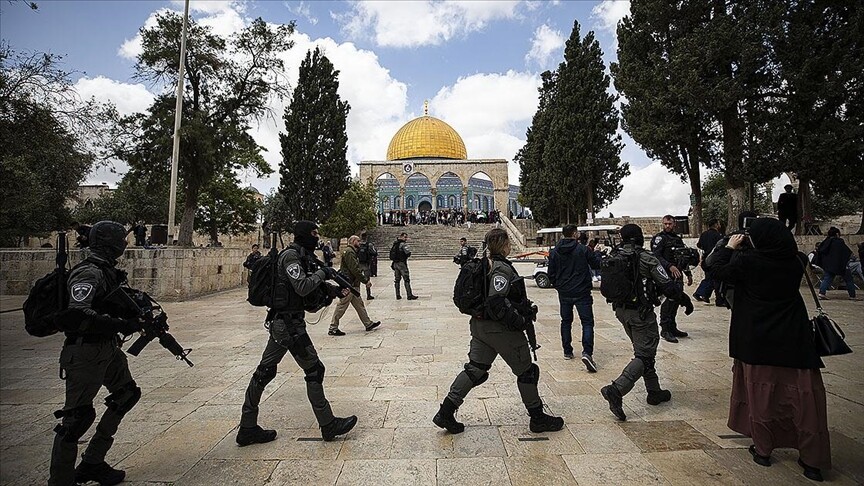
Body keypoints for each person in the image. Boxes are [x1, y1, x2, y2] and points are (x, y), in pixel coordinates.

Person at [711, 217, 830, 482]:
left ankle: (763, 450)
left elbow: (715, 269)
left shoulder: (747, 262)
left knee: (762, 396)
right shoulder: (798, 259)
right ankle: (812, 462)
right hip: (793, 338)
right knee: (803, 402)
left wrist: (728, 247)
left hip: (757, 338)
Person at [237, 221, 357, 446]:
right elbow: (302, 286)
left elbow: (304, 291)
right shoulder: (291, 257)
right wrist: (323, 273)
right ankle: (328, 424)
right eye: (313, 233)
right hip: (288, 326)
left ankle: (247, 426)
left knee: (264, 372)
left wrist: (333, 289)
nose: (316, 236)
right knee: (314, 369)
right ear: (303, 234)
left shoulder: (303, 255)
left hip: (284, 324)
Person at [433, 228, 564, 434]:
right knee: (527, 372)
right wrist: (519, 321)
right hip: (500, 330)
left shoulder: (484, 265)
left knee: (475, 370)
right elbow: (497, 301)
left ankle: (446, 412)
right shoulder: (501, 269)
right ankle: (537, 417)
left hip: (480, 327)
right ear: (503, 245)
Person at [49, 221, 145, 486]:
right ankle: (60, 480)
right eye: (120, 240)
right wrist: (123, 325)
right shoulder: (89, 273)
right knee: (76, 418)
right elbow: (79, 313)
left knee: (127, 394)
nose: (125, 244)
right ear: (109, 242)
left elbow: (112, 301)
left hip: (107, 348)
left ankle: (93, 461)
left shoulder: (107, 271)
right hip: (85, 351)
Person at [599, 224, 694, 422]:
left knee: (644, 352)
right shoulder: (645, 257)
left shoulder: (615, 255)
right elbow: (666, 285)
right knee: (644, 354)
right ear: (640, 237)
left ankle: (654, 391)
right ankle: (617, 389)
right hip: (641, 314)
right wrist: (684, 299)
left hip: (621, 311)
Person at [547, 224, 601, 371]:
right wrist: (596, 252)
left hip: (564, 292)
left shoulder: (554, 251)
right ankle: (587, 353)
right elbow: (597, 264)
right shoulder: (583, 250)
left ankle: (567, 350)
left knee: (566, 321)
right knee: (587, 322)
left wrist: (558, 285)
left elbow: (550, 273)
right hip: (582, 292)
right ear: (575, 233)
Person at [329, 235, 382, 336]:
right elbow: (354, 269)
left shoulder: (351, 251)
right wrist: (365, 281)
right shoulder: (349, 252)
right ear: (353, 241)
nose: (360, 242)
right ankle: (333, 327)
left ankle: (368, 323)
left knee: (359, 305)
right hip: (349, 284)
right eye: (358, 241)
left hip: (353, 284)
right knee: (342, 306)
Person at [651, 215, 693, 343]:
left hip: (678, 275)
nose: (667, 226)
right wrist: (670, 266)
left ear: (674, 224)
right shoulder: (659, 239)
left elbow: (683, 257)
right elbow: (656, 257)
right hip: (665, 276)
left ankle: (672, 327)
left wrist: (688, 273)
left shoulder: (677, 239)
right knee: (668, 302)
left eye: (670, 224)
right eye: (665, 224)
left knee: (676, 301)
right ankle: (665, 329)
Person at [815, 227, 859, 300]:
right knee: (849, 279)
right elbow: (847, 252)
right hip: (841, 265)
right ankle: (852, 295)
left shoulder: (826, 242)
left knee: (827, 279)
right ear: (837, 234)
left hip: (829, 266)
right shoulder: (839, 242)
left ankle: (821, 293)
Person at [693, 219, 723, 304]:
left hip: (705, 259)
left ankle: (704, 294)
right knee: (714, 279)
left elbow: (699, 245)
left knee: (709, 278)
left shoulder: (704, 234)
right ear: (716, 225)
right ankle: (701, 293)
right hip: (714, 259)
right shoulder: (718, 235)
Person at [389, 232, 418, 300]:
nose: (406, 239)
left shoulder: (395, 244)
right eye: (405, 237)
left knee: (397, 280)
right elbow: (408, 253)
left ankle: (397, 294)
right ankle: (409, 294)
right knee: (406, 279)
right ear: (401, 237)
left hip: (395, 263)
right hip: (402, 263)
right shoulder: (403, 244)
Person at [357, 232, 378, 300]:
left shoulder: (358, 244)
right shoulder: (369, 244)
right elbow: (374, 253)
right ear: (366, 237)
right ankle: (368, 295)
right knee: (367, 280)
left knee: (357, 280)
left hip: (358, 264)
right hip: (366, 264)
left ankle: (356, 294)